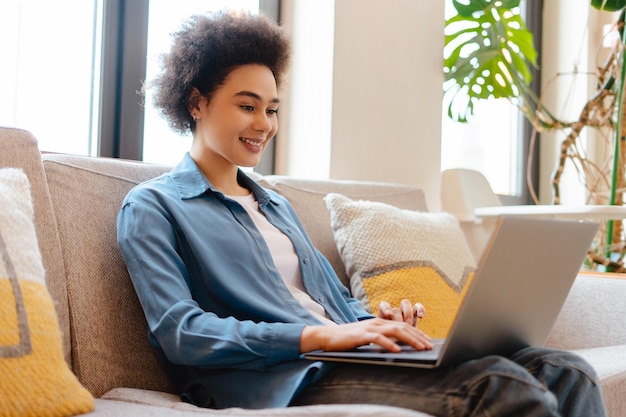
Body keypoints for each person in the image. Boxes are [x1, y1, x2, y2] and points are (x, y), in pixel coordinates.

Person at [117, 11, 607, 416]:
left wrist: (377, 320)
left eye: (272, 109)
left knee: (566, 369)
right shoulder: (153, 206)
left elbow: (333, 303)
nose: (264, 124)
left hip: (344, 356)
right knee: (500, 387)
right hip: (274, 380)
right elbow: (181, 333)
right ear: (197, 102)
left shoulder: (275, 204)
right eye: (247, 106)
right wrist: (323, 336)